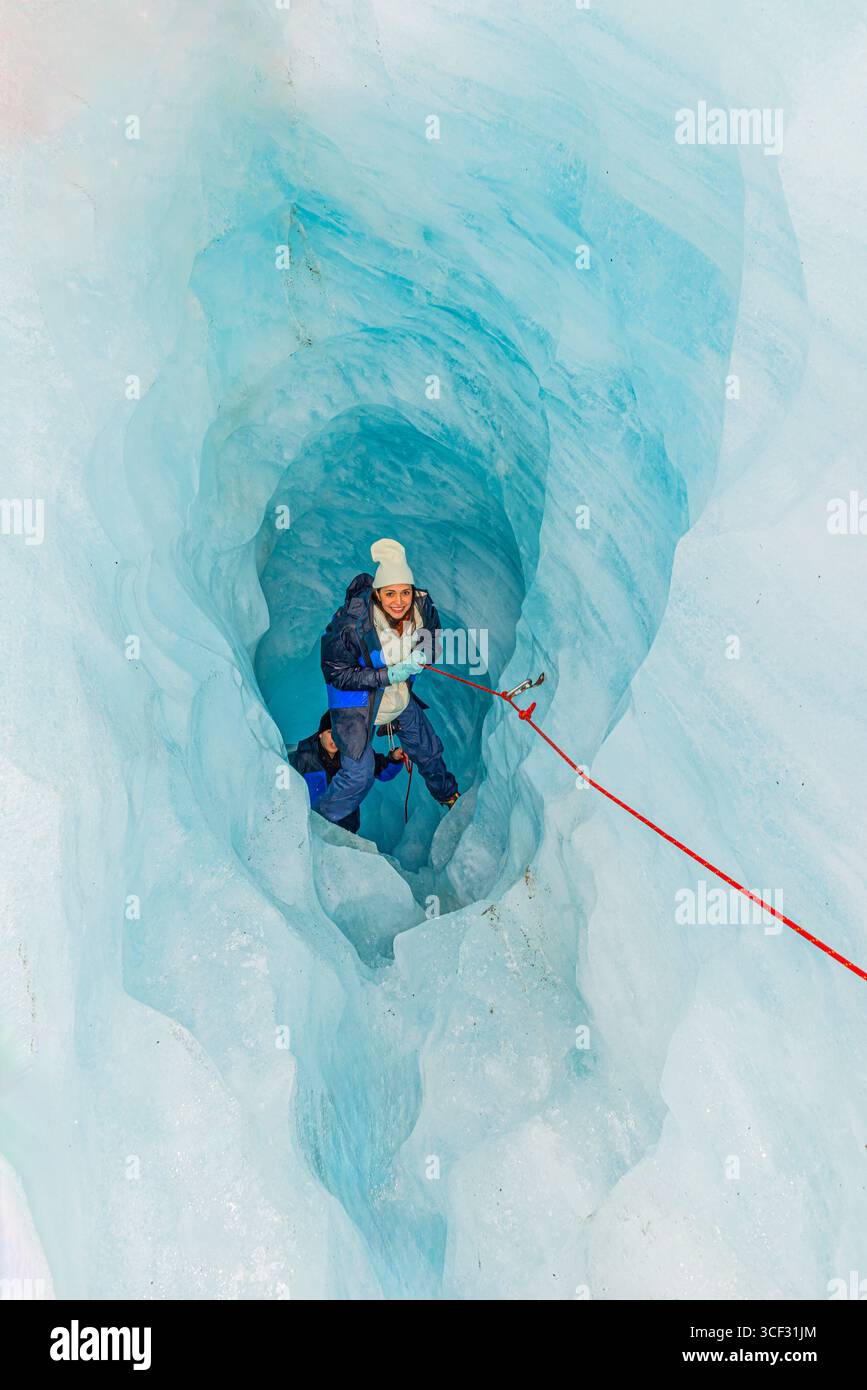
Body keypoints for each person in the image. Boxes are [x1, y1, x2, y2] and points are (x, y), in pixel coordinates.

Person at [312, 537, 460, 828]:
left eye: (405, 592)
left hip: (398, 697)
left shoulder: (422, 605)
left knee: (427, 749)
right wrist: (386, 675)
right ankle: (318, 824)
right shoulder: (351, 624)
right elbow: (336, 672)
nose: (399, 601)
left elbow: (434, 637)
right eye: (390, 593)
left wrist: (424, 654)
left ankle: (448, 795)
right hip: (357, 705)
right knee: (359, 774)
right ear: (377, 594)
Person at [288, 710, 406, 835]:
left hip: (344, 832)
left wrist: (394, 758)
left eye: (339, 733)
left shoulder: (352, 754)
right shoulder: (303, 757)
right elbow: (284, 790)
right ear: (320, 734)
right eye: (329, 732)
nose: (335, 738)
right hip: (312, 830)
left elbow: (382, 771)